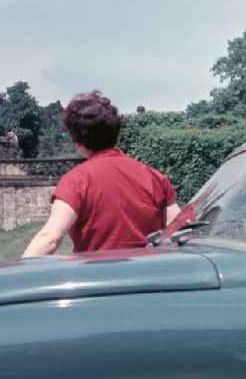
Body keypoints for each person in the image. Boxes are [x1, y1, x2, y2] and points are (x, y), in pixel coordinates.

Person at [23, 91, 180, 257]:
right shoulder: (154, 177)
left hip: (97, 277)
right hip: (149, 278)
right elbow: (179, 228)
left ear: (77, 142)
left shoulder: (76, 181)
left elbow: (50, 238)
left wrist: (16, 274)